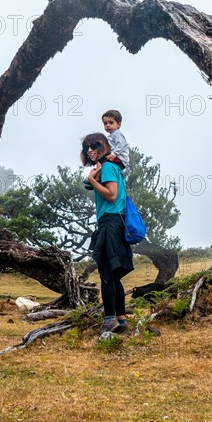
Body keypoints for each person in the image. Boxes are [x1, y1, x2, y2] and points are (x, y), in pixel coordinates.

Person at [81, 133, 134, 334]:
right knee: (113, 275)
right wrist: (94, 177)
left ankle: (109, 319)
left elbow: (111, 195)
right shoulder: (110, 168)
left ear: (103, 146)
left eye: (94, 146)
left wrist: (91, 180)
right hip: (114, 223)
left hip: (110, 223)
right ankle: (121, 320)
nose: (90, 150)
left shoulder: (110, 167)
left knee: (106, 274)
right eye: (87, 147)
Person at [84, 109, 129, 190]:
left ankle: (96, 180)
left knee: (101, 161)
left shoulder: (117, 134)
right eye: (105, 123)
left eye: (111, 123)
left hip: (120, 159)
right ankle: (97, 179)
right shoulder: (111, 136)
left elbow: (122, 145)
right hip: (116, 157)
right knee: (100, 161)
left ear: (118, 124)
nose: (108, 125)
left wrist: (113, 154)